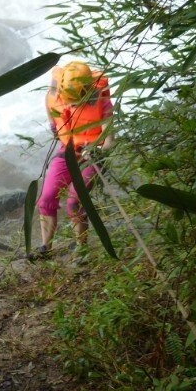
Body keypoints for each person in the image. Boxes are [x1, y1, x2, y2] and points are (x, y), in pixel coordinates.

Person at [29, 60, 113, 261]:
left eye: (74, 102)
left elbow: (110, 142)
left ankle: (81, 250)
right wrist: (54, 126)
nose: (69, 105)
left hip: (91, 156)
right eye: (67, 100)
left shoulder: (102, 101)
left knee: (74, 201)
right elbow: (49, 104)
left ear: (86, 91)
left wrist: (96, 151)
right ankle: (45, 247)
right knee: (47, 197)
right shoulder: (56, 92)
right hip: (67, 150)